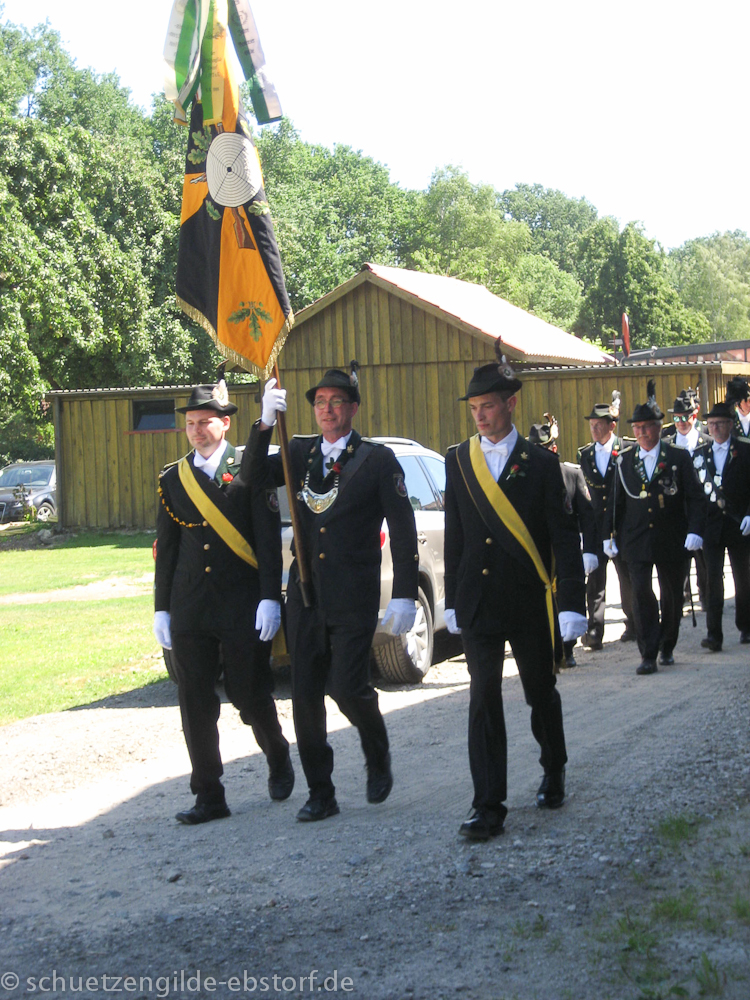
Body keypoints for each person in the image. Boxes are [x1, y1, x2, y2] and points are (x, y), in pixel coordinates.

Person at [255, 368, 419, 822]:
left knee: (347, 687)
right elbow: (251, 477)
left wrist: (404, 593)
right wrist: (264, 423)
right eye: (320, 402)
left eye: (336, 402)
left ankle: (376, 750)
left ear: (353, 408)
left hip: (353, 594)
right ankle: (321, 792)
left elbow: (403, 527)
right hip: (305, 594)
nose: (327, 410)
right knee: (305, 694)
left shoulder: (377, 460)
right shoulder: (298, 452)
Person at [443, 360, 586, 841]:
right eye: (474, 408)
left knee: (539, 690)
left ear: (511, 404)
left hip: (527, 600)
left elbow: (563, 536)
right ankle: (487, 805)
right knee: (483, 697)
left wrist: (571, 601)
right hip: (478, 600)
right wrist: (451, 598)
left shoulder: (541, 463)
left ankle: (554, 767)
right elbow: (456, 534)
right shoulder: (458, 460)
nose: (480, 416)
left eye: (487, 406)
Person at [153, 382, 293, 825]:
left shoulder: (248, 468)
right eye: (191, 424)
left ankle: (277, 752)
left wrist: (269, 596)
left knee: (248, 694)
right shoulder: (172, 479)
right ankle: (209, 795)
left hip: (241, 603)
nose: (196, 431)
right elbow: (168, 549)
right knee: (194, 702)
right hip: (190, 606)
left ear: (225, 423)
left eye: (205, 422)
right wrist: (161, 607)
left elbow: (267, 540)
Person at [603, 381, 707, 676]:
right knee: (641, 594)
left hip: (671, 537)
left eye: (647, 427)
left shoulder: (677, 457)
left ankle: (667, 644)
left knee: (671, 595)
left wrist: (695, 530)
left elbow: (695, 497)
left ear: (659, 428)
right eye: (637, 428)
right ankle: (648, 652)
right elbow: (615, 502)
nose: (641, 433)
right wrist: (608, 535)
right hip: (636, 539)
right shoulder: (624, 461)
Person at [527, 414, 598, 667]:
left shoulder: (571, 473)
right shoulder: (524, 479)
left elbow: (587, 516)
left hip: (564, 549)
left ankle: (567, 648)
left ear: (553, 449)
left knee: (565, 596)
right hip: (537, 550)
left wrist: (590, 550)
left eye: (544, 449)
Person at [577, 393, 636, 648]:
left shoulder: (626, 449)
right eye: (591, 425)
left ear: (612, 426)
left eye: (599, 425)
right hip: (596, 527)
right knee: (595, 583)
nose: (594, 429)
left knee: (627, 578)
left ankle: (633, 623)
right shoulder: (585, 454)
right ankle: (594, 630)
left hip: (620, 526)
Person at [692, 401, 750, 651]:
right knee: (712, 581)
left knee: (743, 579)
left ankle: (746, 626)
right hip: (712, 527)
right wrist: (694, 529)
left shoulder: (745, 450)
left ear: (730, 425)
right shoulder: (700, 454)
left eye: (720, 423)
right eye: (711, 424)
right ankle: (714, 634)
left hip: (739, 524)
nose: (714, 428)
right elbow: (696, 496)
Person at [663, 392, 713, 609]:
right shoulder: (667, 444)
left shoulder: (707, 442)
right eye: (677, 418)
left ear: (694, 416)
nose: (681, 422)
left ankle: (707, 595)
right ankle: (681, 596)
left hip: (703, 508)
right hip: (676, 510)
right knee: (677, 561)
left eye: (686, 417)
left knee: (705, 561)